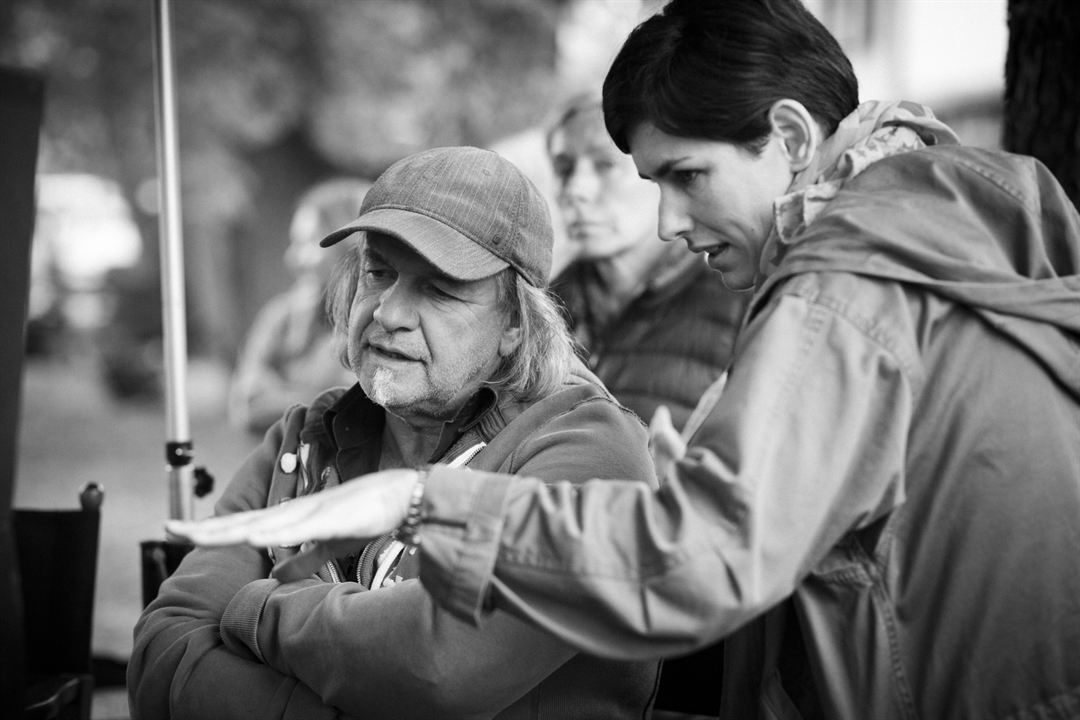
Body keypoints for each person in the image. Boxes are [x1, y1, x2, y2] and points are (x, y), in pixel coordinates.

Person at [166, 2, 1080, 719]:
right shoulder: (946, 233)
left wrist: (413, 505)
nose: (666, 226)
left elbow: (696, 562)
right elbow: (167, 639)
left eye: (687, 177)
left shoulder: (842, 290)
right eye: (376, 273)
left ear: (795, 140)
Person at [130, 147, 661, 719]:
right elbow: (162, 654)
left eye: (439, 289)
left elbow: (437, 667)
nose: (387, 313)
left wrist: (258, 609)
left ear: (515, 324)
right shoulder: (305, 437)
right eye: (378, 272)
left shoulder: (588, 451)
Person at [547, 92, 748, 429]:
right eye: (564, 168)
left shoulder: (741, 298)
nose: (575, 189)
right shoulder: (534, 314)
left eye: (605, 164)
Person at [228, 177, 370, 436]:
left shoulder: (379, 321)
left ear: (350, 245)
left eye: (307, 242)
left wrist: (283, 396)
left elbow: (369, 414)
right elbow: (248, 409)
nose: (292, 257)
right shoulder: (280, 317)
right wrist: (326, 399)